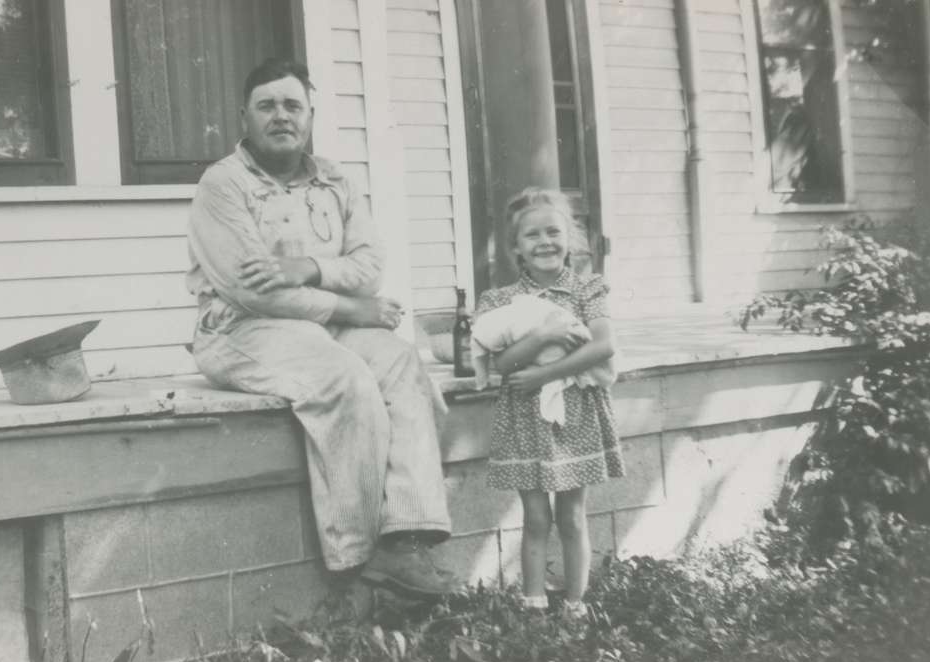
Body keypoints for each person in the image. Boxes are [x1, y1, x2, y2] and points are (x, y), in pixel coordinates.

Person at [185, 58, 456, 597]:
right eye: (266, 106)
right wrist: (352, 309)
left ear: (310, 115)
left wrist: (309, 268)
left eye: (292, 105)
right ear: (244, 116)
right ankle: (357, 560)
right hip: (241, 331)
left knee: (401, 362)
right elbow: (252, 290)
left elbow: (370, 266)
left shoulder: (335, 180)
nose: (280, 116)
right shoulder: (223, 184)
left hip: (316, 328)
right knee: (344, 378)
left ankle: (404, 539)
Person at [474, 187, 625, 618]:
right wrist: (541, 337)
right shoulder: (499, 301)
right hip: (523, 418)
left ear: (570, 238)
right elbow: (502, 361)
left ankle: (576, 606)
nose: (544, 242)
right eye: (532, 235)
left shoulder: (587, 289)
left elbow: (603, 346)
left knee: (573, 516)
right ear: (515, 247)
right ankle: (534, 607)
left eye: (553, 232)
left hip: (575, 413)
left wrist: (544, 373)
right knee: (536, 517)